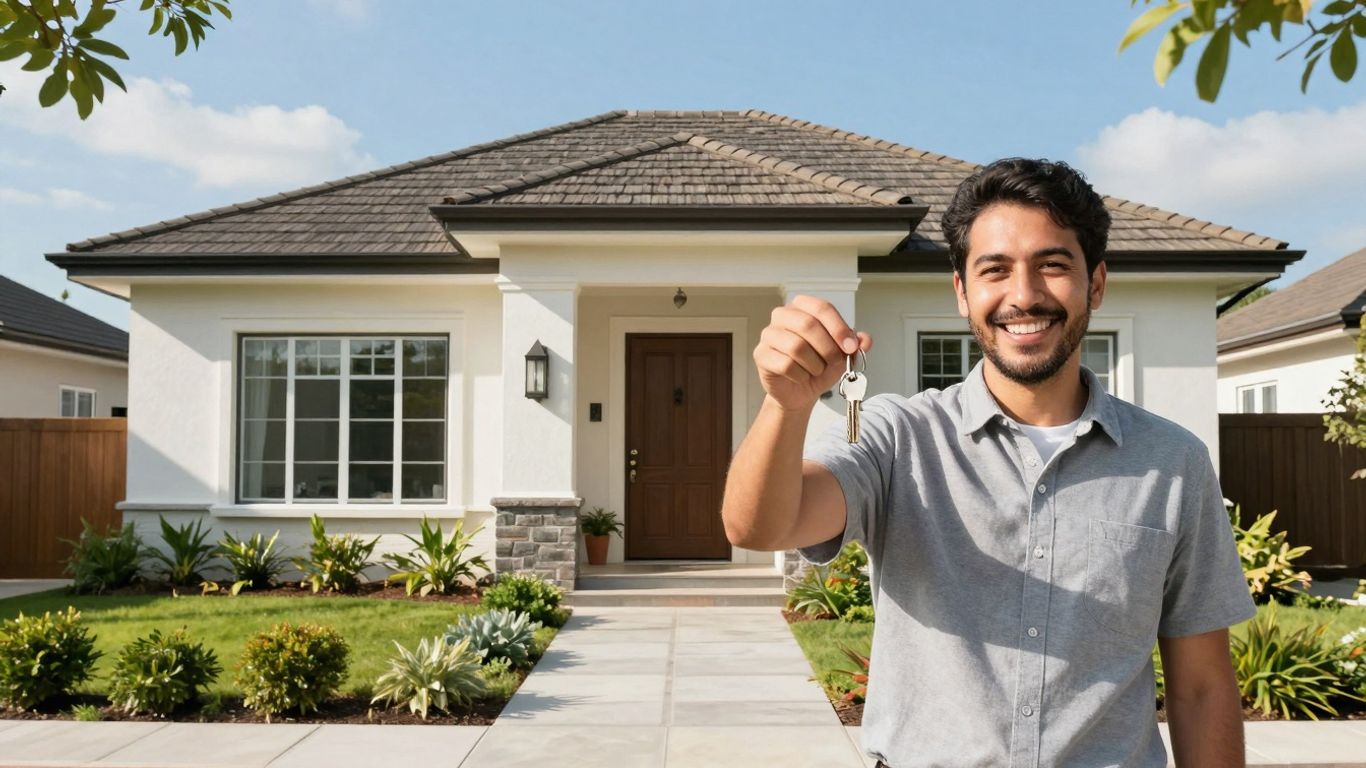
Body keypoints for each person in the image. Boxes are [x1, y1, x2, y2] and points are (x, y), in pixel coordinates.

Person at [720, 158, 1256, 768]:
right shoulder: (898, 437)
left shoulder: (1173, 461)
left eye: (1052, 265)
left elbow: (1202, 686)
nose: (1023, 295)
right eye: (994, 270)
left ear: (1096, 284)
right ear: (962, 292)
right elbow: (760, 527)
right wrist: (783, 406)